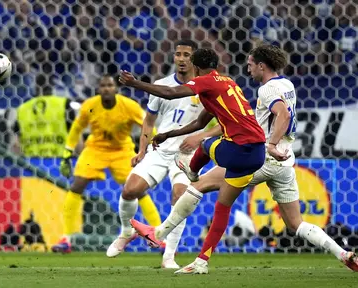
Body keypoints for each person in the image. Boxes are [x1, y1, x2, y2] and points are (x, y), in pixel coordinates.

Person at [131, 44, 358, 274]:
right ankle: (343, 254)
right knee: (295, 224)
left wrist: (270, 144)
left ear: (262, 65)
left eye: (251, 65)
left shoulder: (266, 90)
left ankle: (161, 233)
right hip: (285, 161)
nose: (248, 69)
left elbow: (283, 114)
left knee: (197, 185)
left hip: (262, 155)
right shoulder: (286, 84)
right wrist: (170, 134)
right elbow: (211, 121)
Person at [119, 47, 266, 265]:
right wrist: (169, 133)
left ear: (196, 67)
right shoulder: (226, 82)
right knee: (220, 206)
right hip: (257, 151)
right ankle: (199, 260)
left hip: (240, 149)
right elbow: (199, 123)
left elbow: (170, 92)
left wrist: (135, 84)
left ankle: (192, 171)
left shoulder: (206, 81)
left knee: (205, 145)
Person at [108, 40, 212, 269]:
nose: (182, 58)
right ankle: (127, 231)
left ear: (194, 59)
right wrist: (141, 150)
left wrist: (201, 138)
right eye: (178, 54)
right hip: (160, 149)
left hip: (187, 154)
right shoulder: (161, 85)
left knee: (180, 197)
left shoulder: (204, 88)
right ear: (173, 58)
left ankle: (169, 257)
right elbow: (149, 121)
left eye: (186, 54)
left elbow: (211, 122)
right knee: (130, 190)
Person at [51, 75, 161, 253]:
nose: (106, 89)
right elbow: (77, 129)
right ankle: (67, 238)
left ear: (116, 88)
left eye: (110, 85)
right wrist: (67, 153)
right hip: (96, 149)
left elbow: (148, 125)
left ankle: (159, 235)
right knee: (77, 185)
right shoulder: (89, 105)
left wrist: (150, 148)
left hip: (122, 150)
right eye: (103, 86)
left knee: (137, 189)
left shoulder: (129, 106)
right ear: (98, 89)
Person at [12, 74, 79, 157]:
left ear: (35, 87)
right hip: (59, 162)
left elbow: (16, 145)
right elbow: (77, 137)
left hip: (31, 164)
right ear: (52, 87)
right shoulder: (64, 104)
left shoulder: (23, 108)